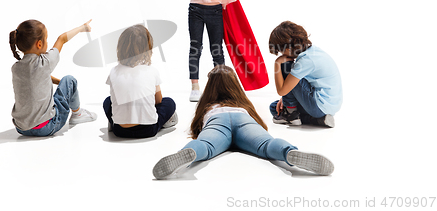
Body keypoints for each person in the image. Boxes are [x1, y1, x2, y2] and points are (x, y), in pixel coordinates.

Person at [152, 65, 334, 180]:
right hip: (243, 119)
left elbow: (198, 128)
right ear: (234, 85)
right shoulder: (242, 104)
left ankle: (188, 153)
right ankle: (290, 153)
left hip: (217, 120)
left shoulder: (208, 105)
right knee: (267, 145)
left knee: (205, 146)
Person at [9, 19, 97, 137]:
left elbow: (38, 78)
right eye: (46, 39)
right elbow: (62, 39)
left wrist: (60, 83)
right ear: (39, 44)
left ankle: (74, 111)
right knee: (69, 80)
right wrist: (82, 28)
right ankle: (78, 114)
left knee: (64, 83)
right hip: (46, 127)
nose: (47, 42)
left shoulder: (16, 68)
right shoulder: (44, 62)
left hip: (22, 128)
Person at [103, 25, 177, 138]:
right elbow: (158, 100)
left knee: (107, 101)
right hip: (148, 129)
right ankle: (164, 122)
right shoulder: (152, 71)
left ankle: (114, 121)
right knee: (169, 103)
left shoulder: (114, 71)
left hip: (120, 130)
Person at [268, 21, 342, 127]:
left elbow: (281, 91)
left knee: (287, 66)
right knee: (275, 107)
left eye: (281, 52)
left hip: (318, 106)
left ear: (287, 49)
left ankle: (291, 114)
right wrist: (285, 99)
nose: (281, 55)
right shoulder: (313, 52)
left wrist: (277, 63)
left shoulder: (306, 61)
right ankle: (317, 120)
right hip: (327, 106)